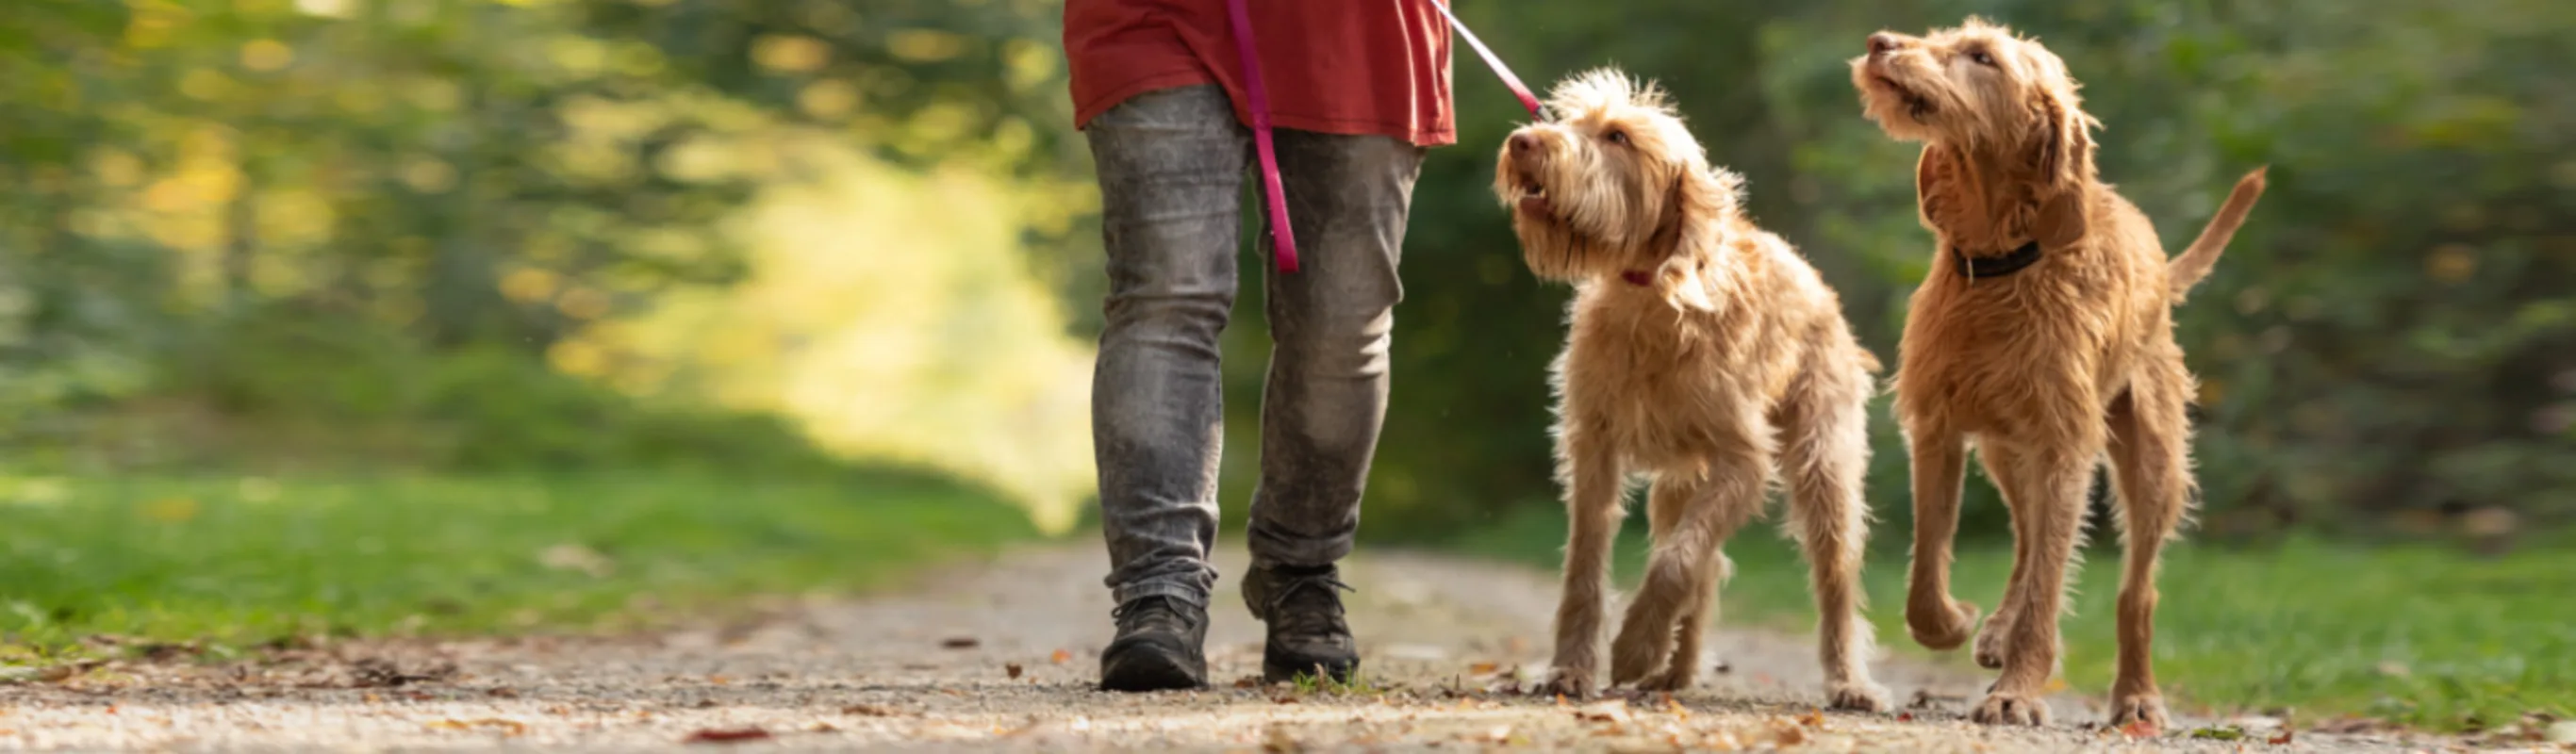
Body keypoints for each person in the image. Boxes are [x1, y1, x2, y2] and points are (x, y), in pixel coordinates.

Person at [1063, 0, 1457, 692]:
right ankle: (1160, 594)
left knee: (1341, 323)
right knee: (1166, 297)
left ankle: (1300, 574)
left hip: (1362, 31)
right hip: (1157, 20)